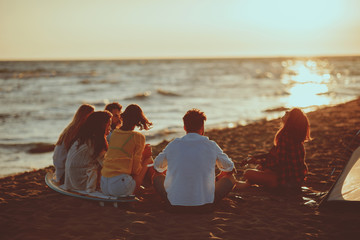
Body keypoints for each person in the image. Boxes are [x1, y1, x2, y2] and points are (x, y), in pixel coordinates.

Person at [153, 109, 236, 211]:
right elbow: (230, 168)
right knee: (231, 177)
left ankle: (178, 195)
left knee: (156, 176)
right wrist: (218, 178)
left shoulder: (174, 144)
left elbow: (157, 166)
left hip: (174, 205)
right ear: (202, 127)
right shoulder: (211, 145)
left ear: (184, 127)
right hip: (204, 206)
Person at [239, 108, 311, 189]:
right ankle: (248, 183)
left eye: (289, 113)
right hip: (295, 180)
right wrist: (256, 158)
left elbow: (279, 162)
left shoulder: (285, 137)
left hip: (284, 182)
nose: (286, 112)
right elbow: (274, 155)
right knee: (259, 168)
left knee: (247, 173)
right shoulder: (295, 137)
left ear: (291, 120)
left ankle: (247, 184)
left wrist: (258, 162)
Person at [101, 104, 153, 197]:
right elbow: (135, 170)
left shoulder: (114, 133)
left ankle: (148, 187)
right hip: (119, 187)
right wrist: (144, 155)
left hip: (104, 185)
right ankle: (154, 188)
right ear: (138, 120)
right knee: (149, 159)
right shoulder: (138, 137)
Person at [64, 111, 112, 193]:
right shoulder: (95, 142)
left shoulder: (82, 138)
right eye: (109, 125)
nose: (110, 128)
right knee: (105, 167)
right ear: (102, 126)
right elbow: (107, 165)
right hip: (81, 184)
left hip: (70, 182)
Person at [53, 104, 95, 183]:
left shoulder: (70, 128)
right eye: (91, 115)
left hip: (59, 171)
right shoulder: (77, 131)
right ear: (84, 116)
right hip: (64, 175)